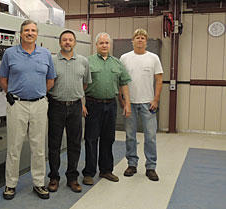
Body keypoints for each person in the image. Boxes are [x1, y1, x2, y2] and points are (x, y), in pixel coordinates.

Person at [0, 20, 56, 200]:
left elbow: (50, 80)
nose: (30, 33)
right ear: (21, 33)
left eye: (33, 30)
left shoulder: (45, 54)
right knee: (14, 147)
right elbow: (3, 77)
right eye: (26, 30)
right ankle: (10, 184)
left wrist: (37, 94)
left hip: (39, 104)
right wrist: (13, 94)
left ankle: (38, 183)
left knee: (38, 147)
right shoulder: (10, 53)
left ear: (37, 34)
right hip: (17, 105)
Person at [82, 32, 132, 185]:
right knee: (91, 139)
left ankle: (106, 170)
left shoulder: (117, 63)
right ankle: (89, 173)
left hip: (111, 105)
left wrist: (127, 103)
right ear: (96, 45)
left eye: (106, 43)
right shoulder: (87, 62)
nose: (104, 45)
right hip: (92, 104)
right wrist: (81, 104)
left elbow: (124, 83)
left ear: (110, 45)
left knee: (108, 139)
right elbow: (80, 85)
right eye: (101, 43)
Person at [47, 30, 91, 193]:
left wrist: (77, 97)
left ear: (75, 43)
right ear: (60, 43)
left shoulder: (83, 61)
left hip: (75, 107)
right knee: (54, 144)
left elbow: (85, 84)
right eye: (64, 40)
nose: (67, 42)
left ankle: (72, 178)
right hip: (56, 106)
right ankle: (54, 177)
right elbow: (48, 82)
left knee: (74, 143)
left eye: (70, 40)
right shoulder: (51, 61)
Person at [119, 28, 163, 181]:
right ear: (132, 41)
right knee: (130, 135)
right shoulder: (124, 58)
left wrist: (156, 99)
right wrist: (123, 100)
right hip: (130, 103)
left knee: (150, 137)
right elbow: (120, 80)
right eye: (137, 37)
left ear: (146, 41)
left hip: (148, 104)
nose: (139, 40)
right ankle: (132, 164)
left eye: (142, 38)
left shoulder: (153, 58)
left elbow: (159, 80)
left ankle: (151, 167)